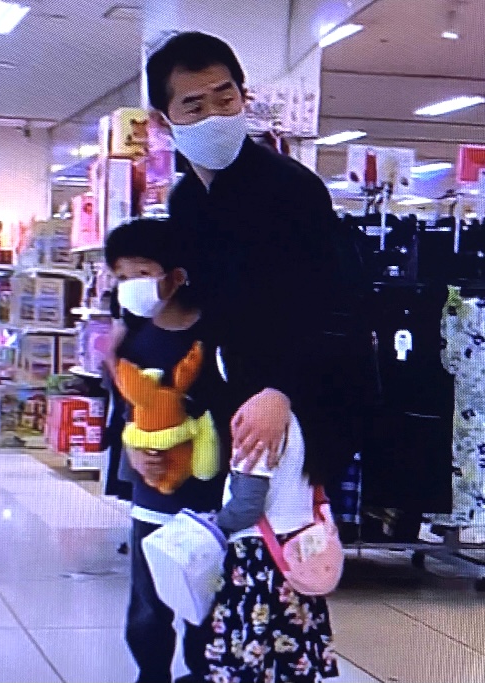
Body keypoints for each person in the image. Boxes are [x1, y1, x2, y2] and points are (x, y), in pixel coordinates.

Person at [146, 30, 370, 510]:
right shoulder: (185, 201)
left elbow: (335, 304)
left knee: (278, 550)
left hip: (298, 401)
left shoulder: (291, 189)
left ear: (243, 96)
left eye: (224, 97)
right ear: (164, 123)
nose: (215, 116)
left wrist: (281, 389)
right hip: (228, 396)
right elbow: (206, 312)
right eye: (194, 106)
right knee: (206, 547)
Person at [104, 217, 228, 683]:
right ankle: (150, 673)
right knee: (147, 601)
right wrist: (133, 455)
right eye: (120, 276)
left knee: (206, 596)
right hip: (151, 497)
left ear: (175, 275)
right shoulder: (131, 339)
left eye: (140, 273)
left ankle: (203, 673)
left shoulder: (216, 334)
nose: (130, 286)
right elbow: (125, 414)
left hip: (210, 498)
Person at [203, 412, 339, 682]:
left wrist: (213, 524)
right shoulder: (307, 421)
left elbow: (247, 506)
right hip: (298, 555)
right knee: (290, 652)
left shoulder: (261, 423)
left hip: (259, 560)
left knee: (253, 652)